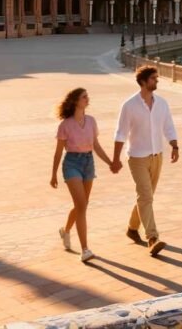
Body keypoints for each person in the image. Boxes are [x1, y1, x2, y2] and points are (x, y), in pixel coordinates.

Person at [112, 65, 179, 256]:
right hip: (137, 158)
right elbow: (121, 133)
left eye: (156, 78)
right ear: (143, 82)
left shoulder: (162, 104)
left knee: (145, 197)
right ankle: (152, 237)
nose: (157, 81)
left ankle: (132, 228)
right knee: (146, 196)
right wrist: (115, 159)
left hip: (157, 156)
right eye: (153, 79)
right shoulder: (129, 105)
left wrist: (174, 145)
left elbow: (168, 127)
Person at [50, 88, 115, 263]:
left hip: (88, 163)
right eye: (84, 97)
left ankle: (65, 231)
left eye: (87, 96)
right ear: (75, 101)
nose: (88, 99)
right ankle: (85, 249)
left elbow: (96, 146)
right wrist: (53, 174)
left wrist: (110, 162)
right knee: (81, 205)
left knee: (82, 205)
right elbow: (57, 153)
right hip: (71, 164)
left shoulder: (92, 121)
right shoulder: (65, 125)